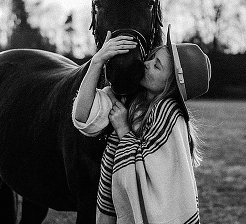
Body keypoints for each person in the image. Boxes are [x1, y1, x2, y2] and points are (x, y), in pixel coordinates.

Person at [72, 26, 211, 224]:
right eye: (152, 58)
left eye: (157, 65)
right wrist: (97, 61)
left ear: (170, 84)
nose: (146, 64)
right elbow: (82, 117)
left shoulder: (171, 116)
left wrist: (123, 130)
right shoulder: (133, 100)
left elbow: (156, 190)